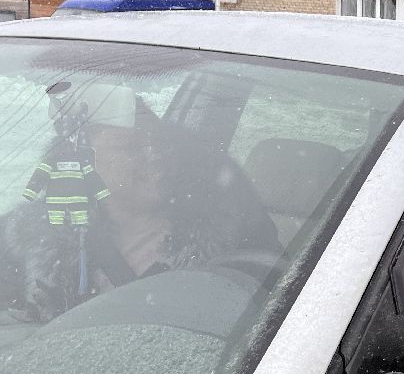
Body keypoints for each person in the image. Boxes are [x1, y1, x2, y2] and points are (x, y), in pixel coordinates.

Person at [0, 82, 278, 324]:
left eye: (158, 142)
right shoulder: (25, 244)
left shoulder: (236, 237)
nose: (155, 154)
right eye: (133, 147)